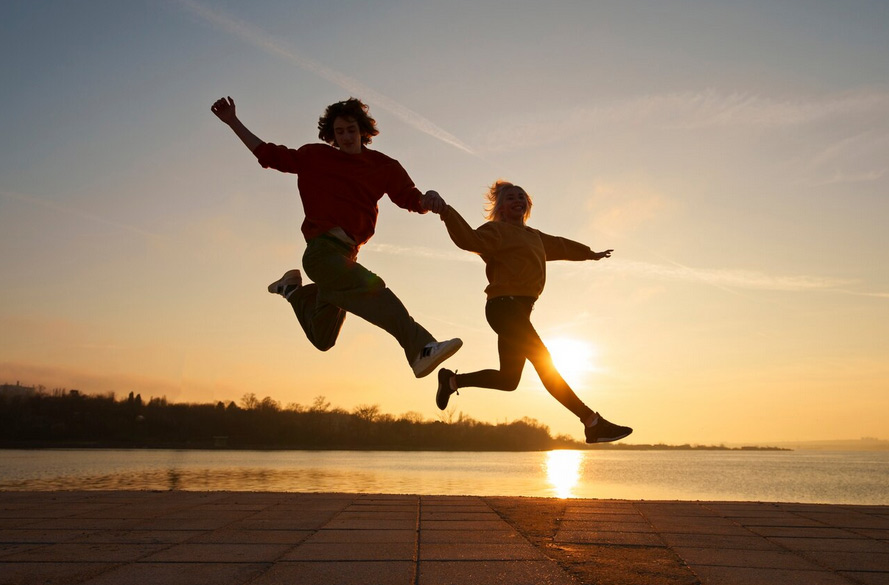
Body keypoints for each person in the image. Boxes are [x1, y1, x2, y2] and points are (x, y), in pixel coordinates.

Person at [210, 96, 461, 377]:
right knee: (371, 287)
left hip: (346, 255)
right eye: (339, 132)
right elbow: (269, 154)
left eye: (351, 130)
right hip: (322, 253)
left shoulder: (384, 166)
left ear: (362, 130)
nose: (346, 137)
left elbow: (410, 198)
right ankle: (420, 348)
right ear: (332, 134)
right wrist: (232, 121)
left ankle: (293, 291)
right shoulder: (315, 157)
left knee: (323, 338)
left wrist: (429, 198)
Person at [433, 180, 631, 443]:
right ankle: (591, 421)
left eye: (522, 197)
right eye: (511, 197)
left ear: (527, 206)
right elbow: (468, 238)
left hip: (520, 311)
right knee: (543, 359)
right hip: (503, 306)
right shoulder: (497, 231)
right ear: (501, 207)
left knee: (508, 380)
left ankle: (451, 382)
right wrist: (446, 211)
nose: (518, 200)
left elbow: (560, 245)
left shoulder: (534, 236)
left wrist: (589, 254)